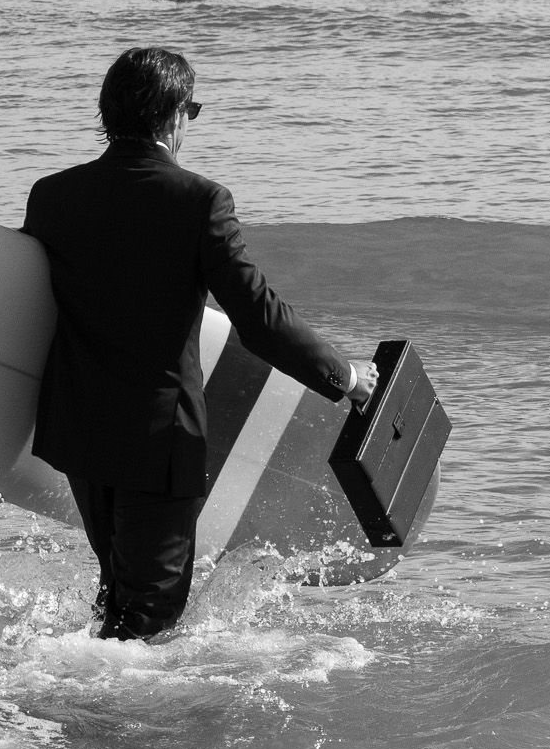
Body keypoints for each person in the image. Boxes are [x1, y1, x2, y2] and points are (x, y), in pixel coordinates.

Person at [22, 48, 378, 641]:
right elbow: (258, 319)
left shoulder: (53, 196)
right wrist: (345, 376)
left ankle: (82, 718)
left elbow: (25, 311)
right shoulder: (199, 200)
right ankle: (115, 720)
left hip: (79, 431)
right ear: (173, 116)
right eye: (193, 109)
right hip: (157, 438)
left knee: (117, 593)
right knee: (150, 621)